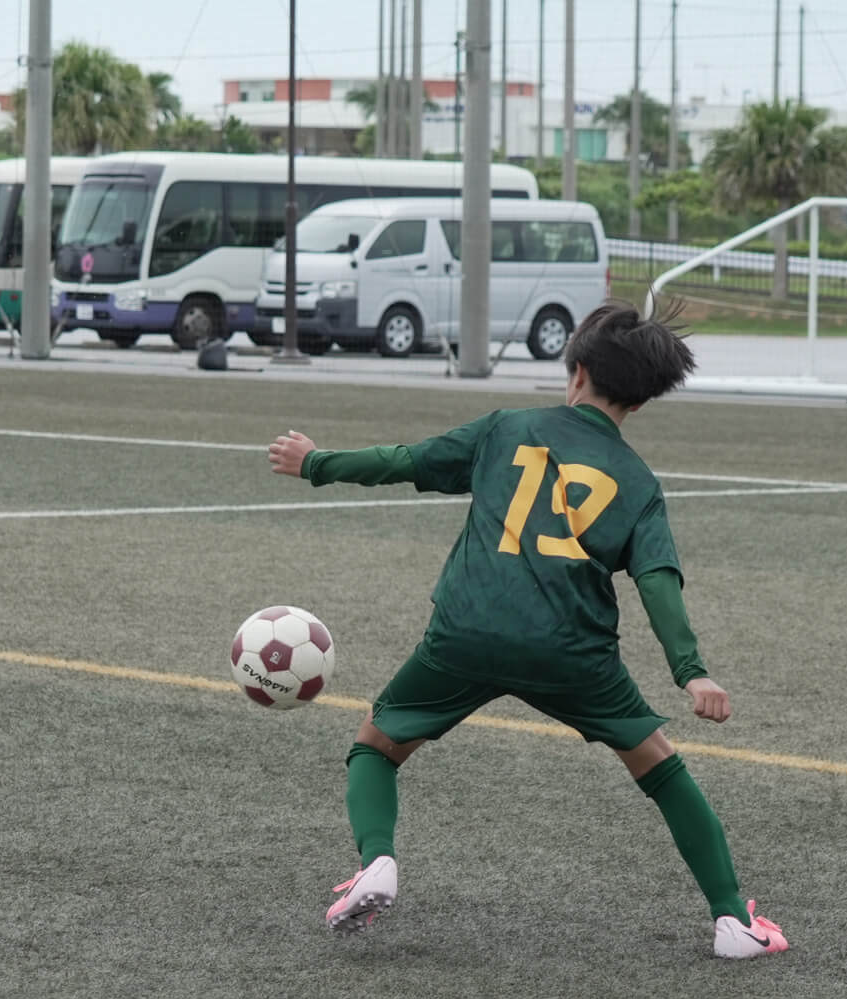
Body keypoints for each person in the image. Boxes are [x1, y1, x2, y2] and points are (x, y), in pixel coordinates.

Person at [267, 302, 787, 959]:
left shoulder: (506, 428)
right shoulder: (637, 482)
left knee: (376, 746)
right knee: (660, 767)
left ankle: (377, 862)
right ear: (639, 402)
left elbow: (406, 460)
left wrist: (316, 462)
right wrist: (692, 672)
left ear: (577, 373)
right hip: (572, 653)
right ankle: (733, 920)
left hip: (468, 629)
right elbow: (658, 583)